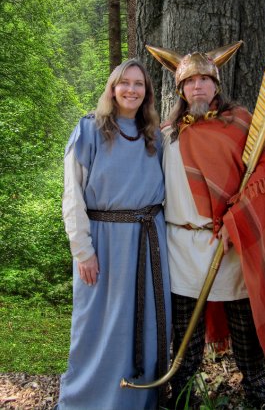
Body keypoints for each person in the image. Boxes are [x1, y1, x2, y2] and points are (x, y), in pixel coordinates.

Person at [147, 42, 265, 409]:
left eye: (205, 80)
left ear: (216, 85)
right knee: (185, 335)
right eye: (190, 81)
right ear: (180, 89)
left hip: (230, 244)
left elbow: (264, 175)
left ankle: (259, 393)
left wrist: (235, 220)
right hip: (180, 246)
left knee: (245, 329)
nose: (198, 86)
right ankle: (181, 396)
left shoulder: (242, 124)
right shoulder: (167, 134)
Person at [55, 59, 172, 410]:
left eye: (139, 84)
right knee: (98, 328)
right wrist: (82, 251)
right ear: (112, 88)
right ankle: (86, 401)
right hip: (104, 246)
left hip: (150, 243)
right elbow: (72, 196)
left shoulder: (155, 136)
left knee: (148, 327)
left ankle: (140, 401)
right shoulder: (89, 130)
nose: (131, 90)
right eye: (125, 83)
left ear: (147, 92)